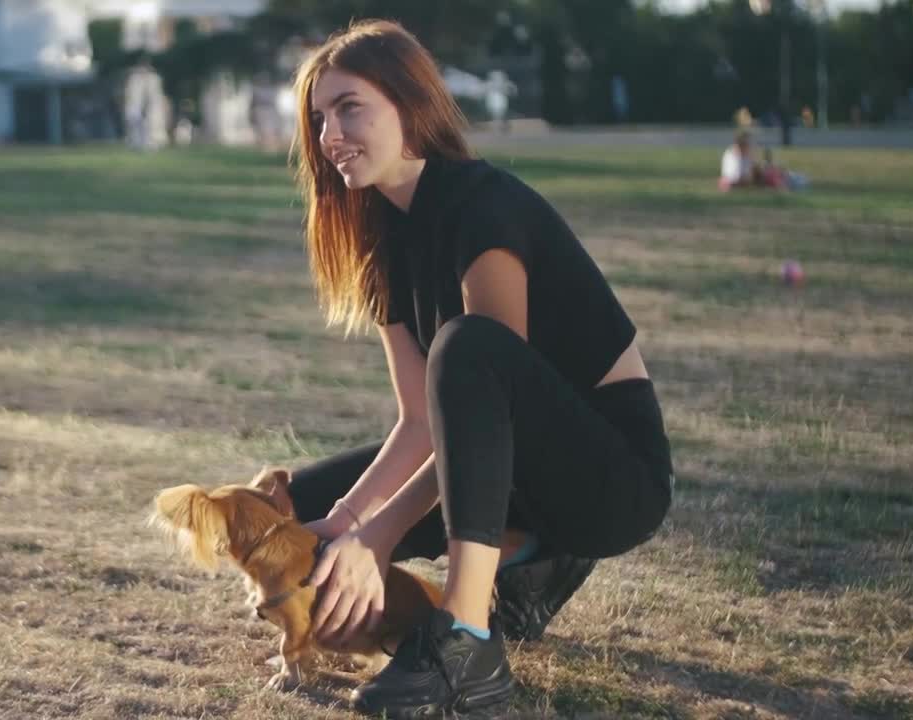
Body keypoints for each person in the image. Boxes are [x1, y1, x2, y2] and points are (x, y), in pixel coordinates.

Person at [285, 20, 673, 719]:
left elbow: (484, 390)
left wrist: (376, 537)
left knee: (468, 347)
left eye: (350, 108)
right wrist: (344, 523)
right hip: (514, 478)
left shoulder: (485, 208)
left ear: (409, 104)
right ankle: (527, 558)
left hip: (611, 484)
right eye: (319, 118)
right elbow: (418, 425)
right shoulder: (386, 246)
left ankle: (466, 641)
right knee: (295, 510)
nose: (329, 135)